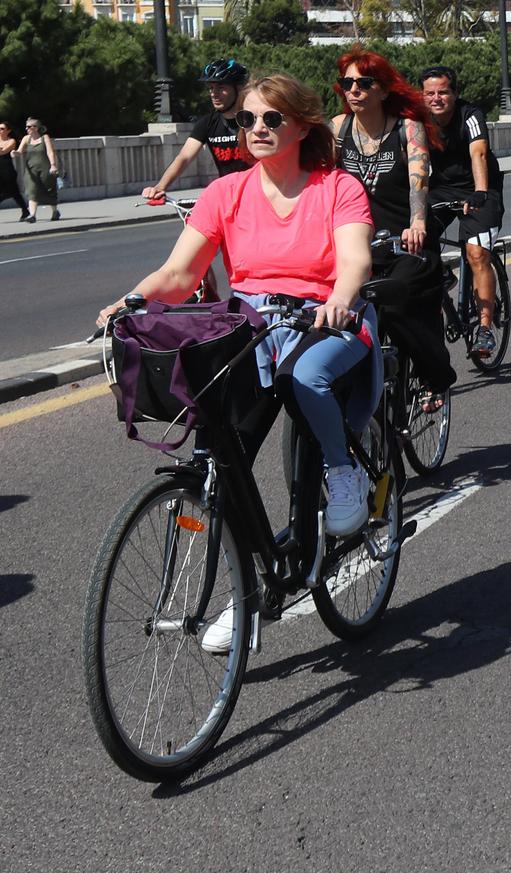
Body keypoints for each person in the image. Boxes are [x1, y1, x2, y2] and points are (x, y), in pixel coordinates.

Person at [99, 72, 379, 545]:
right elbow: (178, 275)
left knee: (305, 376)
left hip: (325, 318)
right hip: (253, 327)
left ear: (302, 126)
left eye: (272, 118)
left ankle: (342, 470)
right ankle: (246, 567)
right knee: (219, 439)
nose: (257, 128)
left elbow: (356, 260)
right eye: (247, 119)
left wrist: (338, 299)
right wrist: (127, 303)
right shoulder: (225, 193)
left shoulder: (338, 187)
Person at [419, 65, 506, 365]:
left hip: (482, 188)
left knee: (476, 252)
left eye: (443, 92)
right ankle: (441, 274)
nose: (436, 98)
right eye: (430, 93)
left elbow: (478, 153)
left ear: (455, 93)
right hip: (443, 189)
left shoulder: (470, 115)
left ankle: (484, 327)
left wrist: (480, 192)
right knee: (416, 235)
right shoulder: (418, 120)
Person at [330, 49, 435, 255]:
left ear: (384, 91)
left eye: (364, 83)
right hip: (355, 241)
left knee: (405, 283)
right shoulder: (337, 128)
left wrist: (417, 224)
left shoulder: (409, 129)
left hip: (403, 240)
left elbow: (419, 184)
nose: (353, 90)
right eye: (347, 83)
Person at [144, 59, 254, 204]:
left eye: (221, 87)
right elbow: (183, 157)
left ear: (238, 88)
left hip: (258, 193)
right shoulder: (207, 123)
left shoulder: (254, 119)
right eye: (211, 88)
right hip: (229, 196)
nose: (214, 94)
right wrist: (160, 187)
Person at [0, 122, 30, 224]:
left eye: (2, 129)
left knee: (15, 192)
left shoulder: (11, 141)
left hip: (7, 169)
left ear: (8, 131)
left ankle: (25, 211)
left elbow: (2, 152)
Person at [16, 118, 61, 221]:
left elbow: (50, 152)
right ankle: (32, 215)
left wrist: (53, 165)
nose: (26, 128)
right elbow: (20, 151)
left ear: (36, 128)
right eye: (26, 126)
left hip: (45, 169)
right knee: (32, 191)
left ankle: (55, 211)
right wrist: (15, 153)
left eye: (29, 127)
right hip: (31, 171)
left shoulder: (44, 138)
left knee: (49, 190)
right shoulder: (26, 139)